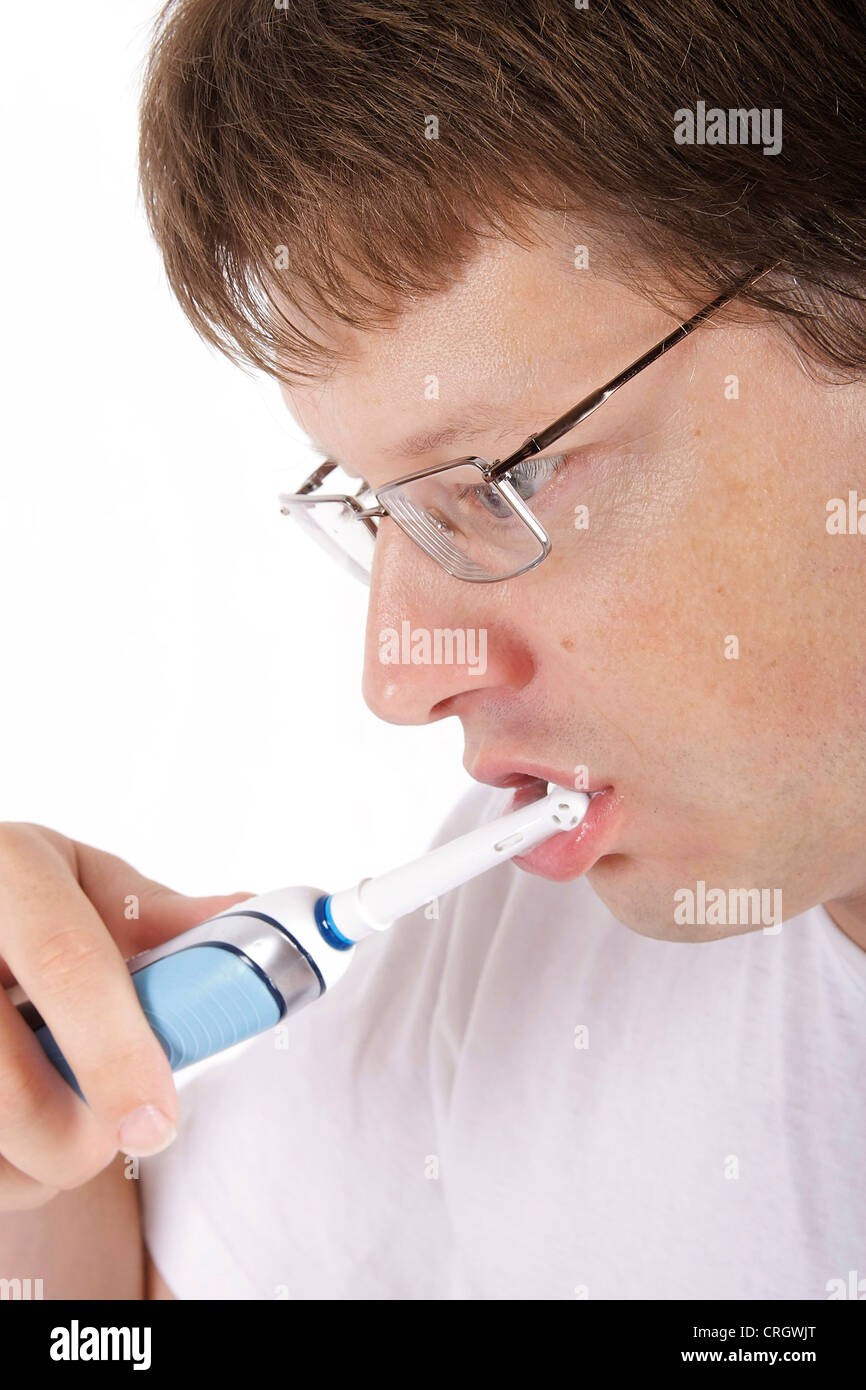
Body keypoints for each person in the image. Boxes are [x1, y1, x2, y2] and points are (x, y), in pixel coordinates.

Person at [1, 0, 864, 1300]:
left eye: (506, 477)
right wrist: (47, 1150)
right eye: (385, 506)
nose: (395, 679)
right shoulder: (519, 959)